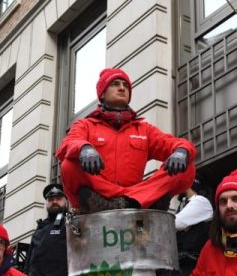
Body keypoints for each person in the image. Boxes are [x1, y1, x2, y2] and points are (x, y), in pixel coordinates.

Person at [56, 68, 196, 213]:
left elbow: (174, 143)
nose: (122, 88)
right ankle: (137, 202)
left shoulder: (144, 129)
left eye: (126, 85)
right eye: (115, 84)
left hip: (135, 193)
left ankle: (136, 201)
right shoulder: (85, 125)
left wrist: (182, 151)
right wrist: (84, 148)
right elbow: (67, 144)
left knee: (187, 165)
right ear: (102, 93)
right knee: (69, 165)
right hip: (98, 193)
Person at [175, 177, 213, 276]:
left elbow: (174, 224)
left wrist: (144, 219)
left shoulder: (201, 202)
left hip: (194, 265)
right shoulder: (182, 206)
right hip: (181, 266)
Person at [26, 183, 69, 276]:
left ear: (66, 200)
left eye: (58, 198)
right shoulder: (40, 227)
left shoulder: (71, 222)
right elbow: (30, 259)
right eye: (50, 199)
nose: (54, 201)